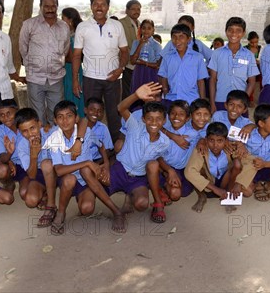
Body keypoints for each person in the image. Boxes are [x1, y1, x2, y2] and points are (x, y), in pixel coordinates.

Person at [45, 100, 126, 235]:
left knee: (87, 208)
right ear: (55, 121)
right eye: (60, 117)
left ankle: (115, 211)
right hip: (68, 179)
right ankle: (61, 213)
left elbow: (101, 145)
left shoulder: (86, 133)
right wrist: (87, 162)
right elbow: (59, 170)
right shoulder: (54, 138)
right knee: (73, 176)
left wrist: (106, 163)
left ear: (76, 118)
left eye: (69, 116)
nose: (65, 121)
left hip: (86, 180)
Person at [72, 0, 129, 142]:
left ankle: (116, 151)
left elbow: (124, 52)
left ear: (108, 7)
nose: (99, 7)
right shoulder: (83, 27)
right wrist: (75, 80)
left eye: (103, 4)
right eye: (96, 4)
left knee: (114, 114)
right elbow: (77, 55)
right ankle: (89, 148)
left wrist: (120, 69)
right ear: (91, 6)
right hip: (91, 78)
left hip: (113, 79)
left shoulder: (117, 26)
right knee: (91, 115)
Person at [111, 83, 170, 221]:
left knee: (142, 204)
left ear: (164, 121)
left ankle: (137, 195)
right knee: (96, 186)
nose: (154, 122)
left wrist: (169, 172)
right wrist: (136, 95)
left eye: (158, 119)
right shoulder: (135, 125)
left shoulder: (165, 142)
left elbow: (157, 160)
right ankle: (116, 211)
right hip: (121, 168)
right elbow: (121, 108)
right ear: (144, 119)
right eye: (149, 119)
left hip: (138, 175)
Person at [19, 0, 71, 126]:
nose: (50, 9)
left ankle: (56, 144)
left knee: (57, 114)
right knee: (37, 116)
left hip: (56, 78)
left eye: (53, 6)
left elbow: (65, 49)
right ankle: (39, 144)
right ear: (40, 6)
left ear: (57, 6)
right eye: (46, 6)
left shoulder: (64, 27)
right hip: (35, 78)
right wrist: (32, 64)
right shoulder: (29, 24)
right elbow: (23, 48)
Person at [147, 100, 198, 221]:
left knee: (177, 194)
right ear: (168, 116)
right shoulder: (163, 128)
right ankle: (161, 186)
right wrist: (173, 136)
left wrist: (168, 133)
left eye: (181, 114)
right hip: (162, 165)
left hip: (179, 169)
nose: (176, 117)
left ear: (187, 118)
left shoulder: (191, 133)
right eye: (173, 113)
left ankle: (164, 187)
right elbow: (156, 154)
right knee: (151, 162)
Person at [14, 108, 57, 228]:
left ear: (39, 124)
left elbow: (77, 124)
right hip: (39, 173)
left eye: (32, 128)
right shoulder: (22, 145)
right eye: (25, 131)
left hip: (59, 170)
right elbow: (32, 175)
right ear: (19, 132)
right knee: (30, 201)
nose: (30, 134)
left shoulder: (51, 132)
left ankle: (51, 206)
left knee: (46, 164)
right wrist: (33, 155)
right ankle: (45, 192)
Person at [208, 17, 259, 113]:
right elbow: (212, 80)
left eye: (238, 31)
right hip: (220, 100)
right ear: (226, 31)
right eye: (230, 30)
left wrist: (244, 101)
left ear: (243, 33)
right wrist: (212, 102)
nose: (234, 34)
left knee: (239, 128)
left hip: (240, 103)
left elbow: (252, 81)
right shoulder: (217, 53)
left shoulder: (249, 55)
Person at [184, 122, 237, 213]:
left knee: (236, 165)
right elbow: (189, 172)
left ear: (226, 140)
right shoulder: (201, 149)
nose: (215, 145)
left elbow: (247, 161)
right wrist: (215, 189)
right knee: (196, 170)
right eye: (211, 140)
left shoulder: (230, 148)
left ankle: (228, 198)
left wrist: (238, 185)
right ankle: (202, 197)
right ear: (206, 140)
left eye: (220, 141)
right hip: (208, 183)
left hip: (225, 181)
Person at [158, 24, 208, 106]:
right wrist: (166, 93)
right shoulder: (167, 57)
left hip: (192, 100)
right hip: (172, 99)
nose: (177, 40)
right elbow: (164, 77)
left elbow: (201, 81)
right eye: (174, 37)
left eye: (181, 37)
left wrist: (202, 102)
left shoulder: (197, 57)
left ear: (189, 39)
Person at [62, 7, 85, 117]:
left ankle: (77, 119)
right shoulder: (70, 34)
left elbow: (72, 58)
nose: (61, 21)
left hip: (72, 68)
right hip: (66, 69)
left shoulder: (75, 36)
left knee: (74, 93)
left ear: (70, 21)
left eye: (63, 18)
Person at [130, 19, 162, 94]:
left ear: (153, 30)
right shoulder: (136, 43)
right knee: (137, 94)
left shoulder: (156, 45)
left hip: (151, 72)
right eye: (143, 28)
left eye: (149, 28)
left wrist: (144, 63)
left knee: (150, 94)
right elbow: (132, 61)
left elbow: (158, 65)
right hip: (138, 72)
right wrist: (140, 44)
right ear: (140, 30)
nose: (146, 31)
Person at [119, 0, 142, 100]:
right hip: (126, 64)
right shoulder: (121, 24)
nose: (136, 11)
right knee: (127, 93)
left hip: (138, 64)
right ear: (127, 10)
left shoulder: (140, 24)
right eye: (133, 9)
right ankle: (126, 115)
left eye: (138, 9)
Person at [244, 31, 262, 105]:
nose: (254, 44)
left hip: (259, 69)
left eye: (256, 42)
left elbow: (263, 59)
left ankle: (263, 98)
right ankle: (250, 100)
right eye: (252, 42)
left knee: (263, 79)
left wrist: (259, 62)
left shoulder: (260, 48)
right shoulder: (244, 49)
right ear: (248, 41)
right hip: (248, 70)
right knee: (251, 80)